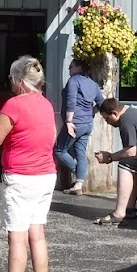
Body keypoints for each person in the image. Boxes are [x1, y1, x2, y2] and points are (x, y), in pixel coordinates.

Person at [0, 55, 58, 272]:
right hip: (46, 174)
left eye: (12, 79)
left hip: (21, 176)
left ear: (18, 80)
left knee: (17, 236)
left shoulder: (14, 104)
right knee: (37, 234)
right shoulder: (46, 105)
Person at [54, 58, 104, 195]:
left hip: (75, 123)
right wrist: (90, 114)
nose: (69, 69)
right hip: (87, 124)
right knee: (80, 153)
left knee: (59, 150)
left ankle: (78, 172)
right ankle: (79, 183)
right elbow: (102, 103)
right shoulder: (93, 84)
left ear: (78, 68)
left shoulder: (74, 81)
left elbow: (71, 101)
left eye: (71, 67)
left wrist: (69, 122)